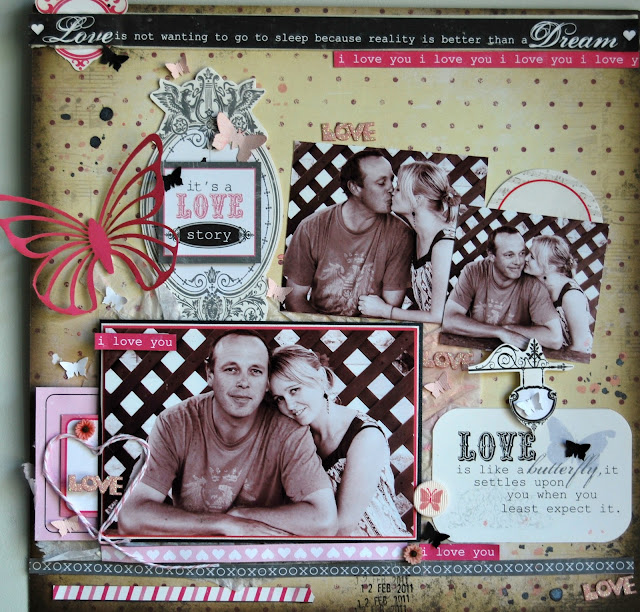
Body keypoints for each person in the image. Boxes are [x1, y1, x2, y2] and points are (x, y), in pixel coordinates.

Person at [117, 330, 337, 537]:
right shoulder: (176, 422)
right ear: (210, 374)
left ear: (267, 382)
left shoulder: (288, 430)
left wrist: (241, 515)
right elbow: (131, 516)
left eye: (256, 371)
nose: (243, 383)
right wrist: (224, 524)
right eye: (231, 369)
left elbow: (324, 521)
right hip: (195, 554)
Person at [269, 345, 412, 538]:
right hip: (326, 549)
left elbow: (343, 525)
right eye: (279, 398)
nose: (289, 405)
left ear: (320, 377)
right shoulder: (298, 436)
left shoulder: (365, 437)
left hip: (381, 547)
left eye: (294, 390)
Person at [283, 149, 413, 316]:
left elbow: (390, 306)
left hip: (370, 329)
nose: (392, 189)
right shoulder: (311, 227)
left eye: (391, 180)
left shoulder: (400, 234)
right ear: (354, 188)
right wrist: (327, 329)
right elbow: (294, 298)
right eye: (381, 183)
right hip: (319, 326)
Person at [358, 160, 460, 323]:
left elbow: (438, 316)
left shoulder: (443, 244)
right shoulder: (417, 234)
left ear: (417, 200)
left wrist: (385, 311)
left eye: (398, 189)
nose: (392, 191)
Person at [442, 226, 563, 350]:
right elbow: (448, 320)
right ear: (491, 256)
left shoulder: (533, 285)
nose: (518, 262)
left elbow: (555, 339)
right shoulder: (474, 271)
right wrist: (500, 332)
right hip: (473, 348)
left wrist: (509, 329)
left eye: (522, 253)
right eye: (509, 255)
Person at [523, 235, 593, 353]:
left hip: (574, 356)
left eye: (532, 257)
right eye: (528, 253)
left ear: (549, 268)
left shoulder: (571, 296)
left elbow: (580, 346)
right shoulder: (537, 283)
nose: (526, 258)